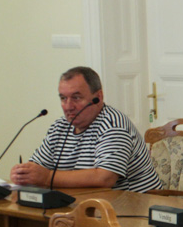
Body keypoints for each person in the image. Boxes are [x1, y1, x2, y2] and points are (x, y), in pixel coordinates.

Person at [10, 66, 162, 193]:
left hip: (135, 209)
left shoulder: (113, 124)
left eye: (76, 98)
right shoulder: (59, 127)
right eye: (63, 98)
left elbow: (105, 178)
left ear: (98, 97)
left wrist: (47, 177)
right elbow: (38, 167)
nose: (68, 106)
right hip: (85, 205)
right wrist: (25, 173)